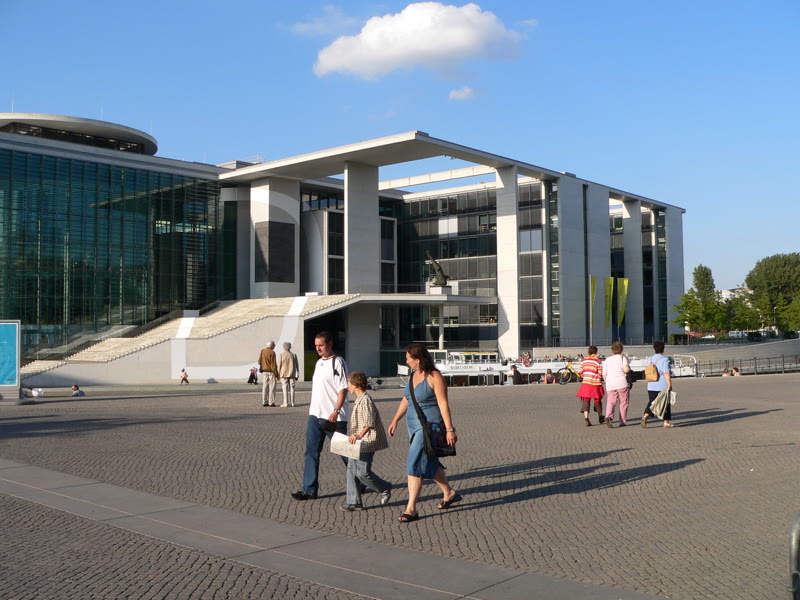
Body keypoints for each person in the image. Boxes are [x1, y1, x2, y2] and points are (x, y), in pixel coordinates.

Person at [388, 343, 460, 523]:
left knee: (414, 463)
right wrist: (395, 420)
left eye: (408, 359)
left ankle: (411, 508)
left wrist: (449, 429)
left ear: (418, 360)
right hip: (413, 426)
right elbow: (406, 399)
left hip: (429, 426)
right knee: (430, 461)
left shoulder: (434, 376)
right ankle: (449, 493)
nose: (406, 361)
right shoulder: (412, 376)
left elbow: (443, 404)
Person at [291, 331, 349, 501]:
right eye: (316, 346)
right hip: (315, 415)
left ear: (330, 344)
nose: (318, 349)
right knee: (311, 452)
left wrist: (336, 410)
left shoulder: (338, 362)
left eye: (321, 345)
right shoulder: (319, 363)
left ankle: (362, 479)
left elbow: (343, 389)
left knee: (345, 452)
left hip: (333, 417)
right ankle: (309, 489)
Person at [341, 371, 392, 511]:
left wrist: (358, 435)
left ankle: (384, 487)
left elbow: (369, 422)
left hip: (366, 441)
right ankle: (354, 502)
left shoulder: (365, 400)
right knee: (351, 470)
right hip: (357, 441)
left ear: (356, 385)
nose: (347, 386)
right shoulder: (359, 399)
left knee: (362, 472)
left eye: (349, 383)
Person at [641, 340, 674, 428]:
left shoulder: (650, 359)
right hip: (661, 384)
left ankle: (646, 415)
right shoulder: (665, 360)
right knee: (665, 403)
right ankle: (666, 422)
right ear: (663, 348)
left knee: (652, 402)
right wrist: (669, 384)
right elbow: (666, 373)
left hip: (651, 384)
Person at [602, 341, 631, 428]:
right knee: (623, 402)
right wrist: (628, 368)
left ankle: (608, 416)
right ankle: (622, 421)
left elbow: (604, 374)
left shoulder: (607, 360)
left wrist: (608, 381)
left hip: (610, 383)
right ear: (621, 349)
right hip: (621, 382)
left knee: (611, 402)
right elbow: (626, 370)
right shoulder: (622, 358)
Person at [576, 345, 604, 426]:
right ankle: (600, 416)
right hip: (595, 384)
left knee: (586, 400)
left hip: (586, 383)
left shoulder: (584, 361)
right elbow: (600, 374)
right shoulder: (598, 361)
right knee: (597, 400)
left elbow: (581, 372)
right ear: (596, 352)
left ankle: (586, 419)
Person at [278, 341, 299, 407]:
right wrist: (297, 373)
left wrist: (278, 374)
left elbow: (279, 365)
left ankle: (286, 402)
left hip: (284, 374)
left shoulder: (281, 355)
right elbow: (297, 366)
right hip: (292, 373)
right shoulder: (294, 355)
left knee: (285, 388)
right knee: (292, 388)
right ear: (290, 347)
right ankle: (292, 402)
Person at [258, 340, 279, 407]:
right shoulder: (272, 353)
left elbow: (259, 362)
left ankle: (264, 401)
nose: (274, 346)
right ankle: (271, 402)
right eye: (274, 345)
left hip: (264, 371)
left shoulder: (262, 351)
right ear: (271, 345)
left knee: (265, 387)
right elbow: (273, 365)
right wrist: (276, 374)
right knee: (272, 387)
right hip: (271, 372)